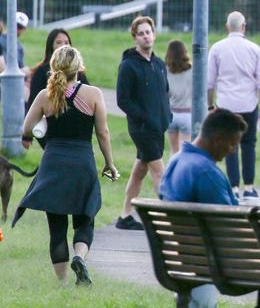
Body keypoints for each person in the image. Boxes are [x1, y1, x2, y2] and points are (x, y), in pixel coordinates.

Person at [159, 108, 260, 308]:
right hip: (217, 262)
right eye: (232, 144)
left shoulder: (178, 160)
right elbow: (229, 230)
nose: (233, 150)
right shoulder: (206, 172)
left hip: (184, 256)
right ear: (217, 139)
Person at [13, 46, 118, 285]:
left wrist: (44, 129)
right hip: (82, 162)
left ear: (53, 68)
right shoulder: (93, 94)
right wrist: (109, 163)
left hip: (53, 164)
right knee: (85, 218)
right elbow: (102, 132)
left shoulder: (44, 96)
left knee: (57, 226)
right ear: (79, 68)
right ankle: (80, 257)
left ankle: (62, 283)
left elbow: (26, 129)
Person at [207, 11, 260, 200]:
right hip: (249, 104)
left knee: (229, 145)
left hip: (225, 104)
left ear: (228, 27)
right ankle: (249, 187)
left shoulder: (217, 49)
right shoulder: (255, 49)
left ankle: (233, 187)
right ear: (244, 26)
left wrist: (210, 106)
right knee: (249, 143)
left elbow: (209, 83)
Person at [116, 16, 171, 230]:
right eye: (141, 33)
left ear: (154, 34)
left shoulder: (158, 64)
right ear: (135, 38)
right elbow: (123, 100)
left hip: (159, 126)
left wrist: (167, 116)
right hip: (141, 128)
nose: (146, 36)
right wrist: (143, 117)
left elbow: (165, 92)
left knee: (140, 170)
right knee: (159, 171)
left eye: (148, 32)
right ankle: (170, 217)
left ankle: (125, 215)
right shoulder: (129, 65)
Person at [25, 28, 89, 149]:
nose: (63, 46)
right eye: (59, 42)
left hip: (75, 128)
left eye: (66, 42)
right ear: (51, 47)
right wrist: (27, 136)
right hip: (50, 127)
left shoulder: (79, 72)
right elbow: (32, 102)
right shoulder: (42, 71)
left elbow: (88, 97)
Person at [165, 40, 193, 155]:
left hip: (171, 114)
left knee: (173, 151)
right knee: (185, 152)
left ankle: (172, 172)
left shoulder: (166, 71)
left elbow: (165, 94)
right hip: (187, 114)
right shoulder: (192, 70)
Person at [0, 11, 32, 101]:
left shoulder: (19, 47)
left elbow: (20, 66)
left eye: (20, 27)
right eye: (16, 25)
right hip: (2, 79)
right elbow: (2, 68)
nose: (17, 29)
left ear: (24, 29)